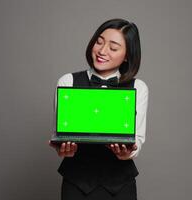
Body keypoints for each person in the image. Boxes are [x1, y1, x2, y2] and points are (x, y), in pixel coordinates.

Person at [49, 18, 149, 200]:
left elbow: (139, 139)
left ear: (127, 55)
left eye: (113, 47)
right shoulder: (67, 82)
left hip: (120, 186)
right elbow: (61, 131)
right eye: (99, 42)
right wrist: (62, 148)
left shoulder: (138, 87)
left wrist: (129, 153)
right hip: (76, 183)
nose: (102, 51)